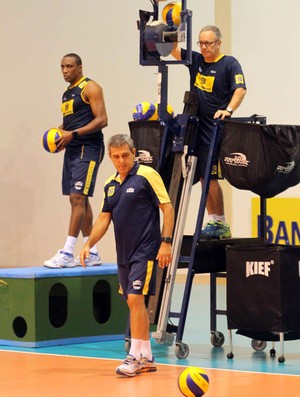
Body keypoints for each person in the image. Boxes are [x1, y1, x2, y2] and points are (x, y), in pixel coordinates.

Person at [80, 134, 175, 377]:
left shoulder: (147, 175)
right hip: (124, 252)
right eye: (115, 157)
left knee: (135, 299)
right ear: (110, 157)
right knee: (133, 302)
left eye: (125, 155)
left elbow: (167, 207)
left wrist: (166, 243)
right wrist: (89, 242)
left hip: (145, 249)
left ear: (134, 153)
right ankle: (147, 357)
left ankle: (135, 356)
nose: (121, 160)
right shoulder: (110, 184)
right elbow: (104, 218)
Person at [171, 25, 247, 238]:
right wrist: (169, 25)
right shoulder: (196, 61)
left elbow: (240, 89)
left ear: (218, 43)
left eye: (208, 43)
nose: (204, 47)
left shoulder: (229, 64)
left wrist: (228, 110)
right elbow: (173, 50)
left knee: (210, 175)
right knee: (202, 176)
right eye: (201, 43)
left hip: (215, 128)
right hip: (195, 125)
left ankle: (221, 222)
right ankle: (213, 220)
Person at [44, 53, 108, 268]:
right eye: (62, 66)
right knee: (82, 199)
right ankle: (92, 252)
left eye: (69, 66)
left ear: (80, 67)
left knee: (77, 198)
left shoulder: (90, 88)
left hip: (88, 148)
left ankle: (68, 252)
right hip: (73, 148)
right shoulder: (67, 93)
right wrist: (57, 134)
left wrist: (74, 134)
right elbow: (69, 123)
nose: (65, 70)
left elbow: (102, 119)